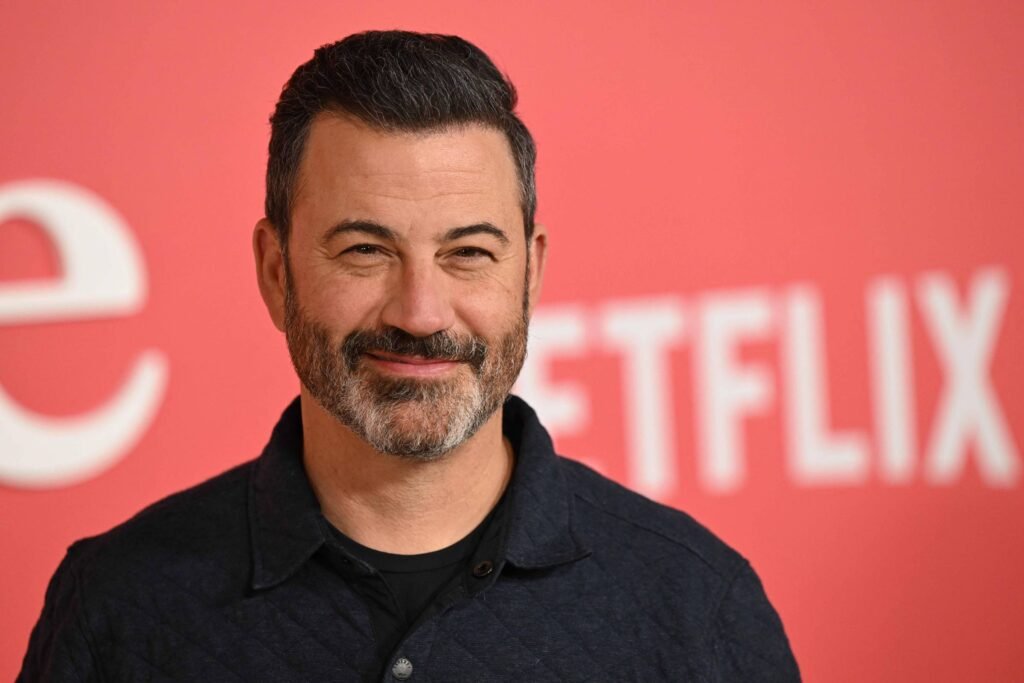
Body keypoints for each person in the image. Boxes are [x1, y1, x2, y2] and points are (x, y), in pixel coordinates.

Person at [19, 30, 799, 681]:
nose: (420, 313)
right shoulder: (117, 606)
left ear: (531, 274)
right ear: (276, 271)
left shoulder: (698, 607)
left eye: (468, 253)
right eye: (365, 250)